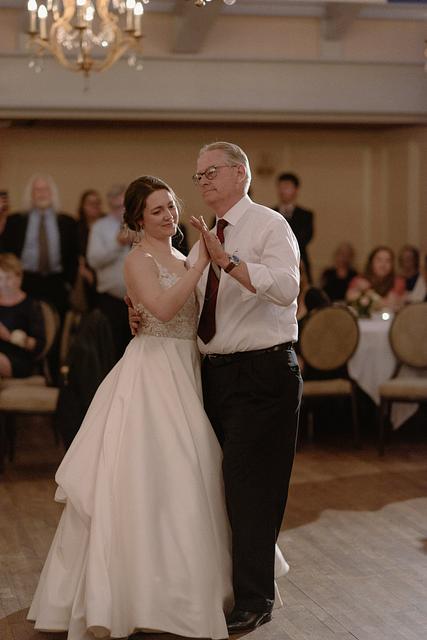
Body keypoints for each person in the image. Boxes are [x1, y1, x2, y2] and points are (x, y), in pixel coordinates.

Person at [28, 175, 235, 640]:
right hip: (154, 372)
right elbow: (162, 309)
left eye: (171, 206)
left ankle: (187, 585)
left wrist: (196, 266)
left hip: (187, 366)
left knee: (192, 471)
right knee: (160, 472)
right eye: (157, 210)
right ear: (138, 218)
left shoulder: (183, 256)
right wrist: (199, 267)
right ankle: (134, 593)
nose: (168, 216)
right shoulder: (137, 259)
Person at [188, 142, 302, 633]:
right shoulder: (204, 236)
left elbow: (287, 288)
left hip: (263, 372)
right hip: (215, 375)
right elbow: (198, 305)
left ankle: (255, 599)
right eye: (198, 176)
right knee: (219, 487)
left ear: (240, 173)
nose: (203, 181)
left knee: (251, 488)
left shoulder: (269, 225)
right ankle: (228, 589)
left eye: (210, 171)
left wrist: (230, 262)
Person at [0, 174, 79, 319]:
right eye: (37, 190)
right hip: (25, 281)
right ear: (30, 194)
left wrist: (69, 283)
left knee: (55, 324)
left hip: (57, 282)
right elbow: (6, 252)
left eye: (45, 189)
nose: (42, 194)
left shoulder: (67, 222)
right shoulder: (15, 221)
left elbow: (74, 256)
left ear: (52, 193)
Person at [87, 184, 132, 360]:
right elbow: (93, 260)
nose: (121, 211)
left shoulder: (141, 224)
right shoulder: (100, 227)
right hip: (111, 300)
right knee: (111, 350)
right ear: (110, 205)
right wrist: (117, 244)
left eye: (124, 206)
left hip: (138, 299)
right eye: (117, 207)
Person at [0, 253, 45, 378]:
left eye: (8, 278)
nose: (3, 284)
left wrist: (9, 337)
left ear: (19, 277)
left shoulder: (31, 306)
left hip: (18, 358)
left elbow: (39, 345)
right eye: (0, 279)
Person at [273, 172, 314, 282]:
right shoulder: (271, 213)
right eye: (280, 187)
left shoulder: (306, 215)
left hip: (299, 260)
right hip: (275, 261)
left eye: (286, 187)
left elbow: (306, 237)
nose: (282, 191)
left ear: (296, 190)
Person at [347, 245, 405, 311]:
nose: (383, 264)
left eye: (388, 261)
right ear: (371, 262)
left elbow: (389, 305)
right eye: (379, 260)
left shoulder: (398, 281)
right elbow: (350, 298)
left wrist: (368, 291)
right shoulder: (359, 280)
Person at [74, 189, 104, 310]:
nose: (94, 206)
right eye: (90, 203)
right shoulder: (77, 227)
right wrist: (84, 271)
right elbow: (75, 253)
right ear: (83, 206)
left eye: (97, 203)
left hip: (105, 273)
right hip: (85, 274)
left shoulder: (108, 224)